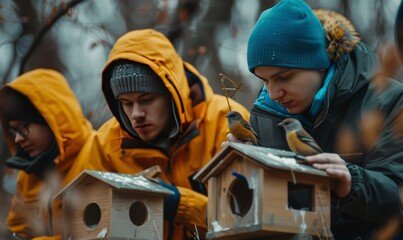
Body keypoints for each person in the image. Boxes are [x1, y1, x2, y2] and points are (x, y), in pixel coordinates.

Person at [226, 0, 403, 239]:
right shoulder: (264, 116)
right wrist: (247, 167)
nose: (274, 93)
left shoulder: (388, 102)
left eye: (284, 77)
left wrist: (351, 183)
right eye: (265, 81)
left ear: (318, 64)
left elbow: (397, 197)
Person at [77, 29, 250, 240]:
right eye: (126, 103)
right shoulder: (105, 145)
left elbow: (248, 216)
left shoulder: (224, 123)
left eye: (147, 99)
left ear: (171, 93)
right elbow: (82, 227)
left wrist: (179, 203)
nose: (136, 114)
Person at [0, 69, 96, 240]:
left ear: (51, 121)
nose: (18, 138)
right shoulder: (28, 174)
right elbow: (18, 231)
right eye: (14, 130)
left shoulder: (100, 153)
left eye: (24, 126)